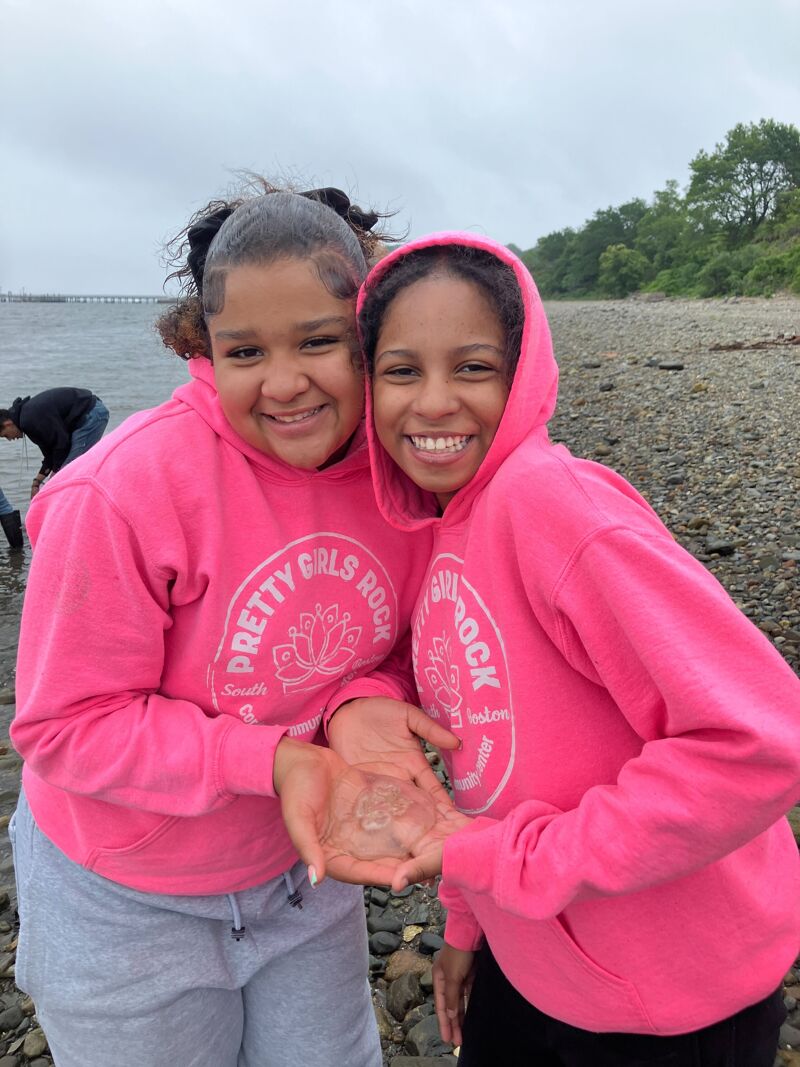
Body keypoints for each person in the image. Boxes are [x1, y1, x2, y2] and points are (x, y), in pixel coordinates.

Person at [9, 186, 457, 1067]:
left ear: (370, 335)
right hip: (123, 895)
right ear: (201, 346)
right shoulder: (122, 493)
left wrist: (361, 701)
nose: (284, 381)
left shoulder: (402, 474)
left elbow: (406, 642)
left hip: (303, 871)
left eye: (320, 342)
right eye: (246, 350)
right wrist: (273, 756)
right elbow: (64, 727)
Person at [355, 232, 800, 1066]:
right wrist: (467, 919)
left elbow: (761, 743)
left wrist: (507, 860)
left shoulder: (554, 508)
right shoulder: (437, 529)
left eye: (474, 367)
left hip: (670, 1002)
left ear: (521, 373)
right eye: (403, 370)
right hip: (528, 970)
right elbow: (488, 756)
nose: (435, 402)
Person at [0, 387, 110, 497]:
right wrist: (36, 483)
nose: (10, 439)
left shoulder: (28, 420)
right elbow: (50, 457)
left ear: (8, 424)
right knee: (65, 472)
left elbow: (62, 444)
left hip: (91, 413)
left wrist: (53, 478)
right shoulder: (26, 418)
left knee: (68, 471)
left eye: (5, 435)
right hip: (85, 416)